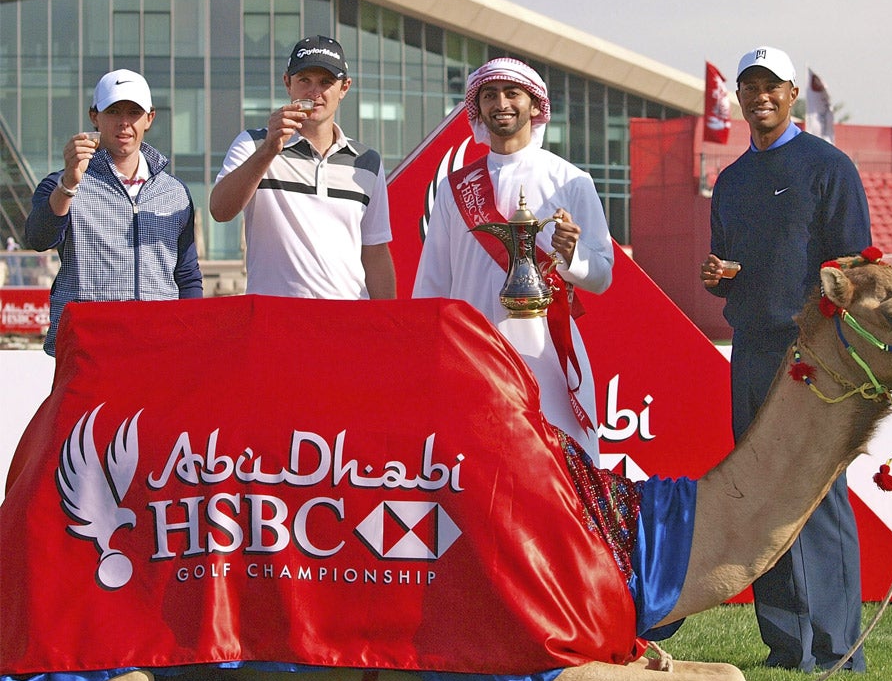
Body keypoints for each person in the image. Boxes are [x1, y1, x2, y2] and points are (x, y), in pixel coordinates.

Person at [701, 46, 871, 673]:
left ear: (792, 93)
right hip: (751, 350)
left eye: (771, 85)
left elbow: (856, 268)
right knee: (762, 494)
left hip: (813, 356)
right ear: (738, 97)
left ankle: (835, 650)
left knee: (818, 495)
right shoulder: (732, 178)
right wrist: (723, 276)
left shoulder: (829, 167)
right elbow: (731, 265)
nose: (759, 96)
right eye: (749, 87)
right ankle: (784, 646)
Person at [412, 58, 614, 459]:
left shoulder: (570, 180)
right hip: (474, 354)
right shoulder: (456, 188)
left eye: (512, 93)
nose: (501, 103)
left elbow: (603, 275)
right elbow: (433, 282)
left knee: (561, 476)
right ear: (478, 108)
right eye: (489, 95)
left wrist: (571, 257)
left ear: (535, 105)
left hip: (549, 355)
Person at [25, 69, 203, 356]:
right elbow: (38, 238)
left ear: (150, 118)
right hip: (88, 348)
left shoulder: (175, 193)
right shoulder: (61, 183)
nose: (124, 123)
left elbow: (187, 276)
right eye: (113, 111)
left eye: (134, 112)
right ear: (94, 117)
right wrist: (69, 183)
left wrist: (193, 338)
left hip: (158, 347)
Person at [209, 35, 395, 300]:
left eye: (326, 82)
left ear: (344, 88)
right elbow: (220, 210)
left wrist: (387, 327)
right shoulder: (253, 144)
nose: (314, 92)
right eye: (304, 80)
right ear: (288, 83)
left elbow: (375, 253)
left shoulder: (366, 162)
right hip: (276, 322)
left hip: (347, 322)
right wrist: (269, 150)